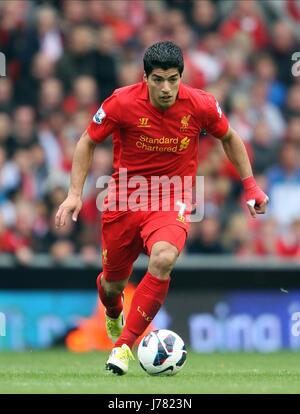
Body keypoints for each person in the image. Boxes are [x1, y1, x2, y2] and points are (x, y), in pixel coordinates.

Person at [55, 41, 269, 375]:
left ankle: (123, 346)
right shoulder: (121, 102)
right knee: (112, 285)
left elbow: (229, 137)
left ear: (181, 76)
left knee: (164, 257)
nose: (166, 88)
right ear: (145, 78)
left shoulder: (201, 104)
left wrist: (251, 185)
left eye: (173, 79)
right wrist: (73, 194)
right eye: (158, 80)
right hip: (125, 198)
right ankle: (113, 311)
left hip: (173, 197)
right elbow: (87, 140)